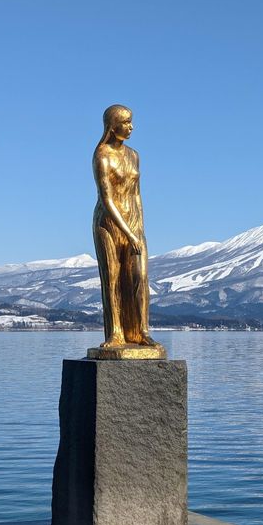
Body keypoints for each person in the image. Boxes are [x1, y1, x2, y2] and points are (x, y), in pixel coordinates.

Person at [92, 104, 161, 349]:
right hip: (109, 224)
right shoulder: (102, 154)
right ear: (112, 126)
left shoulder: (134, 155)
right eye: (125, 122)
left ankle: (142, 331)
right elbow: (106, 198)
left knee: (139, 276)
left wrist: (139, 228)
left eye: (131, 122)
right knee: (112, 278)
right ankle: (116, 333)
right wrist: (128, 233)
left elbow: (137, 194)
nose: (131, 127)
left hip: (134, 222)